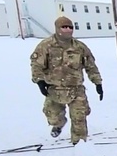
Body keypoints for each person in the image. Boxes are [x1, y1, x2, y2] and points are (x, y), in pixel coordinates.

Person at [30, 16, 104, 145]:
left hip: (76, 89)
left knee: (79, 118)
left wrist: (97, 82)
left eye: (70, 27)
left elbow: (91, 66)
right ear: (57, 28)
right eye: (64, 27)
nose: (67, 30)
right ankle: (58, 124)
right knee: (53, 116)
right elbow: (36, 64)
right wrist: (40, 81)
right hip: (54, 89)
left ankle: (79, 143)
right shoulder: (46, 45)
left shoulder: (80, 47)